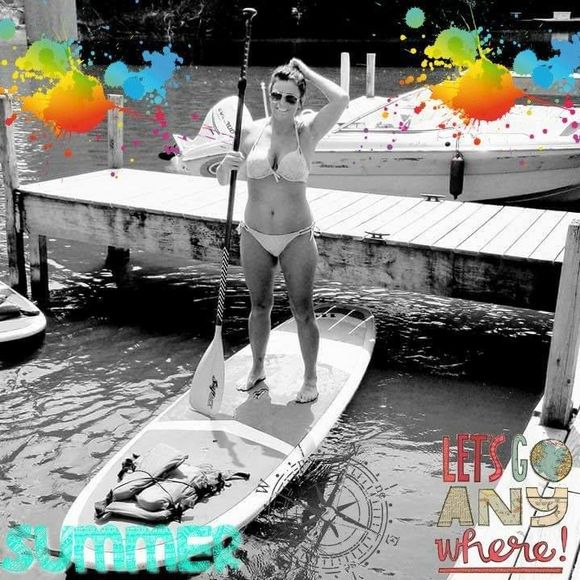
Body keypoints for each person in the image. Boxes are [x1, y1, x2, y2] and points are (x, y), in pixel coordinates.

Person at [215, 58, 349, 403]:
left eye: (291, 98)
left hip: (296, 236)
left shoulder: (308, 132)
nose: (282, 103)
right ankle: (257, 368)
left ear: (300, 102)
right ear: (270, 95)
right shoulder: (250, 132)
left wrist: (305, 70)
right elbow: (223, 179)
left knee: (303, 310)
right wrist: (224, 167)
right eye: (277, 95)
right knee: (259, 306)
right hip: (254, 234)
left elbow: (342, 99)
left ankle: (310, 378)